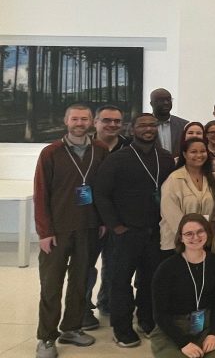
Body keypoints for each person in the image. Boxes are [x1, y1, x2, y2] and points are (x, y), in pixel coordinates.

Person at [33, 104, 108, 357]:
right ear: (66, 121)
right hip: (57, 230)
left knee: (80, 282)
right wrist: (44, 231)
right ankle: (46, 337)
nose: (79, 122)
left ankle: (72, 328)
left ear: (91, 122)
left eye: (84, 118)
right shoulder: (51, 153)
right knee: (51, 285)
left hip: (88, 228)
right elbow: (41, 193)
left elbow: (104, 189)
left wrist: (103, 221)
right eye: (74, 118)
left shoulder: (100, 150)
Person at [95, 112, 173, 348]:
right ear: (132, 129)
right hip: (125, 232)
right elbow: (101, 194)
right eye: (142, 125)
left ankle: (147, 321)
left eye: (152, 125)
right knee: (120, 282)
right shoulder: (118, 158)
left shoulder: (166, 158)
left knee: (150, 281)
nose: (148, 129)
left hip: (156, 232)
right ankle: (122, 328)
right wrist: (116, 226)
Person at [151, 214, 215, 358]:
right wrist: (183, 343)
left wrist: (213, 333)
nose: (195, 237)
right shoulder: (166, 268)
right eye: (189, 233)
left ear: (207, 233)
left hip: (205, 325)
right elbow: (159, 314)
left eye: (200, 231)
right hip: (172, 328)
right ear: (181, 237)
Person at [87, 104, 128, 323]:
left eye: (117, 121)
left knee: (113, 264)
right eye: (106, 120)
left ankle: (107, 302)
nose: (112, 125)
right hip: (89, 219)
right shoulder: (85, 147)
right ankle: (83, 308)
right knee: (85, 266)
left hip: (117, 219)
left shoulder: (129, 147)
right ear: (96, 122)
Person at [160, 138, 215, 256]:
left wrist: (204, 235)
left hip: (205, 241)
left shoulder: (213, 178)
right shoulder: (174, 179)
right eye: (193, 152)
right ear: (184, 154)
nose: (199, 155)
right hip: (177, 243)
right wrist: (191, 236)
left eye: (202, 151)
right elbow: (171, 214)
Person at [150, 88, 188, 157]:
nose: (166, 103)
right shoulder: (143, 126)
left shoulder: (184, 125)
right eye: (161, 100)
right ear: (152, 103)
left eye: (168, 100)